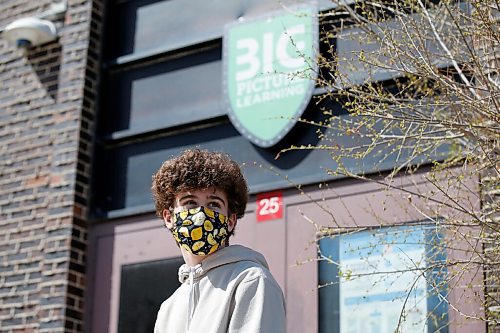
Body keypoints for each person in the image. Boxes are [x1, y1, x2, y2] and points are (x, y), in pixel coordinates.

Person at [151, 149, 286, 333]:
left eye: (213, 204)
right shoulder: (168, 309)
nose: (200, 215)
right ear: (169, 218)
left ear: (230, 221)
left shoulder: (251, 281)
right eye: (190, 202)